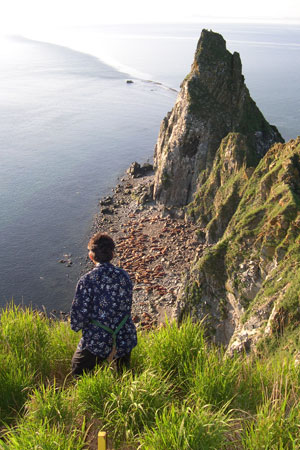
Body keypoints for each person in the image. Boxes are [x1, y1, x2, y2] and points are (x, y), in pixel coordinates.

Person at [70, 232, 137, 376]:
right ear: (112, 254)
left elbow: (78, 316)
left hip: (98, 339)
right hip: (124, 336)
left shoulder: (87, 280)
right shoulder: (124, 276)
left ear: (91, 257)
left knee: (77, 370)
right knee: (123, 375)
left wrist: (77, 327)